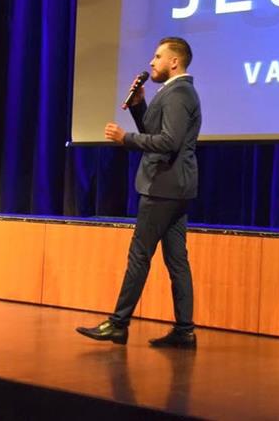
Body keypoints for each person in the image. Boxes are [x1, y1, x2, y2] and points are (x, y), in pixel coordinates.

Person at [77, 36, 201, 348]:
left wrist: (126, 138)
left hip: (163, 186)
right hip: (174, 187)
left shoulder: (178, 93)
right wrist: (138, 106)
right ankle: (185, 330)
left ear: (174, 62)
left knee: (139, 255)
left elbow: (168, 142)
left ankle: (118, 323)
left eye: (158, 57)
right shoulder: (175, 91)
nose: (151, 62)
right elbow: (156, 133)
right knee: (177, 260)